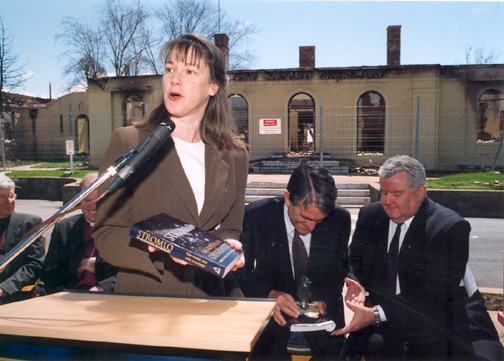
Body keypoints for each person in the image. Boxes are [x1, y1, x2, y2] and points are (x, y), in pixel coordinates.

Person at [93, 33, 248, 298]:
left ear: (213, 86)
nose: (174, 79)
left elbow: (232, 227)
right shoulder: (129, 141)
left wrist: (225, 247)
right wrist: (152, 248)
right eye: (169, 69)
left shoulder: (235, 154)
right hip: (146, 298)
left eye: (189, 71)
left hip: (211, 296)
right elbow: (107, 233)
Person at [334, 155, 479, 360]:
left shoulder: (449, 228)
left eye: (396, 193)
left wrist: (376, 313)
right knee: (346, 350)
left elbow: (432, 293)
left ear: (420, 193)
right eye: (384, 192)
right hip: (379, 316)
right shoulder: (371, 215)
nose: (387, 201)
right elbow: (353, 259)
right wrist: (355, 283)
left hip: (430, 322)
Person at [235, 164, 363, 360]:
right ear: (288, 198)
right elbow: (239, 271)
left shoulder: (339, 218)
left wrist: (325, 301)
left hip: (323, 313)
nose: (310, 226)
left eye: (318, 221)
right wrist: (268, 295)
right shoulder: (257, 216)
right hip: (273, 311)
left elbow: (339, 268)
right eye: (304, 217)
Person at [41, 173, 117, 294]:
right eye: (87, 200)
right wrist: (80, 265)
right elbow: (49, 273)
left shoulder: (120, 228)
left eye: (98, 200)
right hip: (69, 295)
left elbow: (128, 273)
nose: (93, 206)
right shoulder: (64, 227)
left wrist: (103, 288)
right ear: (79, 200)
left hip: (107, 297)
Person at [0, 173, 44, 305]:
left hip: (11, 294)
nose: (9, 201)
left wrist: (5, 288)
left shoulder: (30, 224)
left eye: (11, 196)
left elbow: (35, 264)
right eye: (2, 197)